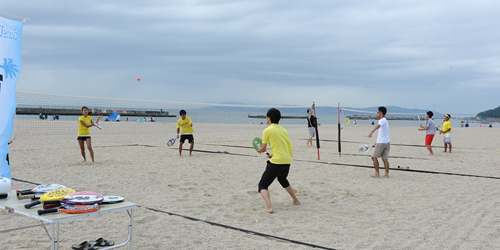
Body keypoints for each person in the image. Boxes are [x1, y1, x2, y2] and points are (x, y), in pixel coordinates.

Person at [257, 108, 300, 213]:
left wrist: (260, 150)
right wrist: (273, 154)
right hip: (287, 160)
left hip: (277, 162)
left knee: (262, 185)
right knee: (282, 179)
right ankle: (295, 200)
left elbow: (262, 149)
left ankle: (269, 207)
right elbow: (282, 146)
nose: (266, 119)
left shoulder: (267, 130)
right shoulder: (283, 130)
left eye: (267, 117)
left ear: (269, 118)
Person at [368, 106, 390, 178]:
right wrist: (376, 141)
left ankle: (377, 173)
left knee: (373, 157)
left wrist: (372, 131)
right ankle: (386, 175)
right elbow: (382, 133)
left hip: (382, 142)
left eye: (377, 112)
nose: (377, 114)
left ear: (381, 113)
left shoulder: (382, 120)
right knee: (385, 159)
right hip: (386, 142)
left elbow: (378, 126)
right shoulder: (385, 121)